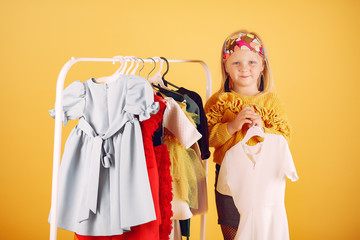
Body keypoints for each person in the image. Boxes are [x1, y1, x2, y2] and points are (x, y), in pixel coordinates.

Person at [204, 30, 292, 240]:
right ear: (226, 66)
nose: (244, 68)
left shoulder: (272, 103)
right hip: (228, 175)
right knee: (232, 229)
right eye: (236, 63)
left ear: (263, 66)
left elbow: (283, 138)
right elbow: (206, 140)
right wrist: (232, 126)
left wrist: (262, 129)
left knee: (262, 228)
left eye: (252, 62)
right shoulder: (219, 102)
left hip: (263, 177)